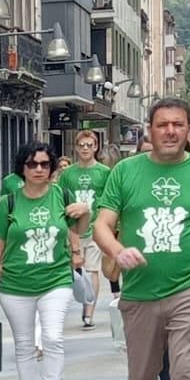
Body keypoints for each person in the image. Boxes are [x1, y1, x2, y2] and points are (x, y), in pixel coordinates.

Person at [94, 96, 190, 380]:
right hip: (139, 292)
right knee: (140, 377)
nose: (170, 131)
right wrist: (118, 250)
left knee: (186, 375)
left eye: (178, 124)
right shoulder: (126, 172)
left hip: (188, 287)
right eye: (162, 124)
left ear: (188, 130)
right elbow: (102, 224)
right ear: (149, 131)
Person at [0, 141, 86, 380]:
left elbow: (79, 229)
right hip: (16, 284)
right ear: (22, 169)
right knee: (24, 344)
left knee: (52, 338)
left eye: (44, 164)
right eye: (32, 164)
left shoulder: (63, 195)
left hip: (56, 278)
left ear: (52, 168)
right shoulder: (9, 202)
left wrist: (84, 213)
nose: (39, 169)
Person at [58, 130, 111, 327]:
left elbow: (109, 200)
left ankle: (89, 311)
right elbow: (60, 197)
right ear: (76, 148)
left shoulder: (105, 173)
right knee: (71, 270)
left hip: (95, 227)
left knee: (92, 270)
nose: (86, 149)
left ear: (96, 147)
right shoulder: (67, 174)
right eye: (82, 145)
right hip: (72, 229)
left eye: (90, 145)